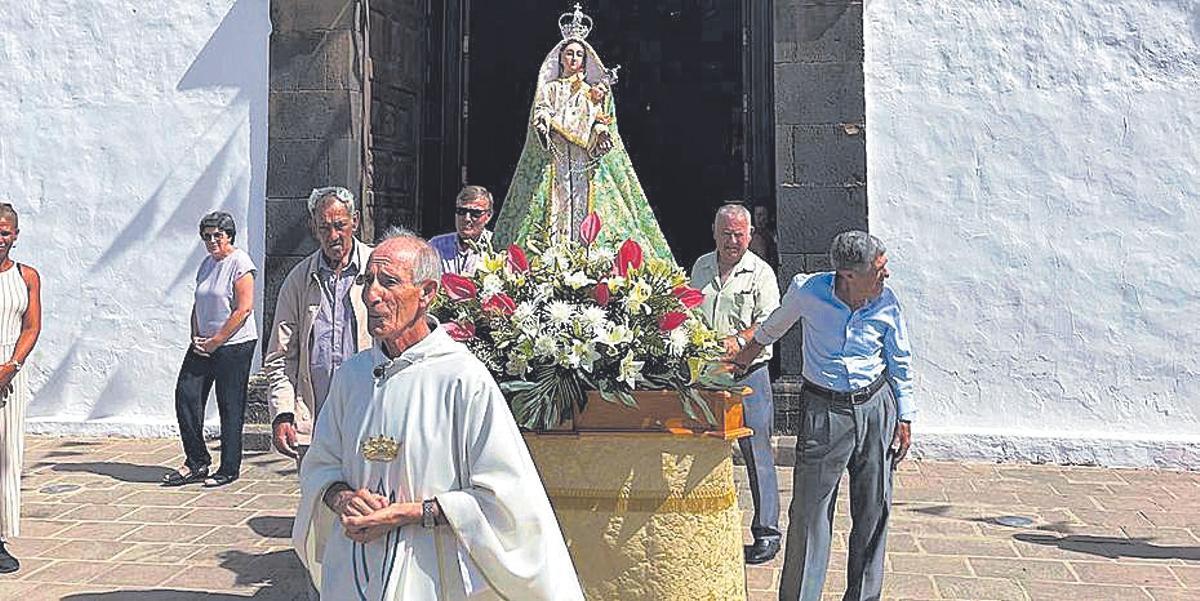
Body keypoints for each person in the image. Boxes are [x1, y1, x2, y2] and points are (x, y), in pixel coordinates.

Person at [293, 230, 584, 600]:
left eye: (389, 282)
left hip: (431, 571)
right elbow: (320, 465)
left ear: (427, 293)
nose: (371, 295)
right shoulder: (352, 376)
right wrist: (340, 498)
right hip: (354, 568)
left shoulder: (462, 379)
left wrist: (407, 514)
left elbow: (503, 496)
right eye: (368, 281)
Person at [731, 230, 913, 601]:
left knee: (874, 510)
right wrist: (744, 354)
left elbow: (900, 361)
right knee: (810, 515)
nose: (886, 273)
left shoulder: (886, 302)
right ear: (848, 274)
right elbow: (772, 328)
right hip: (824, 412)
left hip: (876, 408)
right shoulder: (808, 292)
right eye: (878, 268)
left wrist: (905, 417)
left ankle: (863, 596)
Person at [493, 4, 673, 262]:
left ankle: (584, 258)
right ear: (561, 58)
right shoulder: (551, 87)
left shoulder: (592, 91)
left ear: (585, 61)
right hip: (555, 160)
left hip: (584, 160)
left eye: (579, 54)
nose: (574, 58)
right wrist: (543, 122)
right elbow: (542, 110)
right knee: (551, 209)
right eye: (570, 53)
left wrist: (600, 131)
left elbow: (600, 118)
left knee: (587, 206)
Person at [690, 203, 782, 565]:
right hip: (708, 376)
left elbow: (770, 323)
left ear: (750, 235)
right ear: (714, 232)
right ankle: (706, 528)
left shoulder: (761, 274)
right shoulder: (700, 267)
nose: (732, 241)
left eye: (739, 234)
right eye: (726, 233)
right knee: (705, 456)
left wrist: (739, 343)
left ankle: (767, 533)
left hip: (749, 375)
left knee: (758, 456)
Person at [264, 187, 372, 467]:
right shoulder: (298, 280)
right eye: (324, 228)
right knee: (317, 504)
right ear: (313, 227)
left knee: (369, 504)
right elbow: (280, 355)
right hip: (315, 420)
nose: (333, 236)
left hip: (371, 416)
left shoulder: (378, 269)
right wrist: (283, 413)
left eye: (340, 225)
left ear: (355, 221)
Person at [164, 211, 258, 488]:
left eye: (218, 235)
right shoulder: (206, 264)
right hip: (203, 344)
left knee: (230, 405)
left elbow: (243, 309)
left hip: (234, 344)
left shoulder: (240, 263)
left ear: (230, 235)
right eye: (207, 236)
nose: (212, 241)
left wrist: (218, 339)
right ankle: (197, 461)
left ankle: (229, 467)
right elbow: (199, 303)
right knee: (186, 395)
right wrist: (196, 334)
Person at [0, 203, 41, 574]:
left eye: (4, 232)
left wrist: (11, 366)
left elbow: (31, 326)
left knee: (6, 457)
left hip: (9, 373)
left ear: (15, 235)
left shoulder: (27, 276)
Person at [428, 185, 494, 275]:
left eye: (475, 213)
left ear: (488, 216)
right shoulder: (435, 246)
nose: (467, 218)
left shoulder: (496, 245)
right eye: (461, 211)